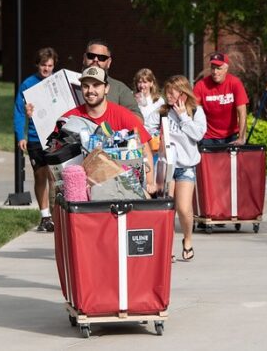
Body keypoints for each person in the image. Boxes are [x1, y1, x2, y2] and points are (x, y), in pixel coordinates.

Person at [60, 66, 157, 194]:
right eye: (85, 86)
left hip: (122, 188)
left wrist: (149, 184)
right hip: (82, 193)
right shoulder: (70, 118)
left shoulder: (123, 114)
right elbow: (54, 158)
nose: (90, 90)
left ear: (106, 88)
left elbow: (144, 148)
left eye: (96, 85)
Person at [146, 75, 206, 260]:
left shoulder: (196, 111)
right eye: (167, 91)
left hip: (186, 166)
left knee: (183, 208)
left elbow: (198, 134)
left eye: (173, 92)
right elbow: (146, 127)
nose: (169, 95)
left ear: (183, 92)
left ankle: (187, 239)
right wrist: (154, 137)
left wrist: (183, 117)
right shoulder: (162, 111)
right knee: (167, 208)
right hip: (166, 166)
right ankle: (168, 246)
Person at [13, 47, 58, 232]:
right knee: (40, 176)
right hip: (34, 137)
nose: (46, 69)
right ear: (37, 65)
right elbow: (19, 111)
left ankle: (57, 216)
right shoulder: (28, 84)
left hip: (55, 137)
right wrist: (20, 135)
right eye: (43, 65)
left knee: (54, 177)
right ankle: (45, 216)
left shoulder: (57, 83)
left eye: (50, 65)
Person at [193, 52, 249, 145]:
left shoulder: (235, 83)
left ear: (226, 69)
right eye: (213, 68)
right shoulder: (201, 85)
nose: (215, 72)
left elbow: (242, 111)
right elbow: (193, 110)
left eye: (219, 68)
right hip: (208, 137)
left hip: (231, 136)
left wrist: (242, 137)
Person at [82, 39, 142, 120]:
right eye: (91, 56)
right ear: (84, 58)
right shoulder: (68, 81)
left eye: (101, 58)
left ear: (109, 62)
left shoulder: (119, 88)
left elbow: (138, 120)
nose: (95, 60)